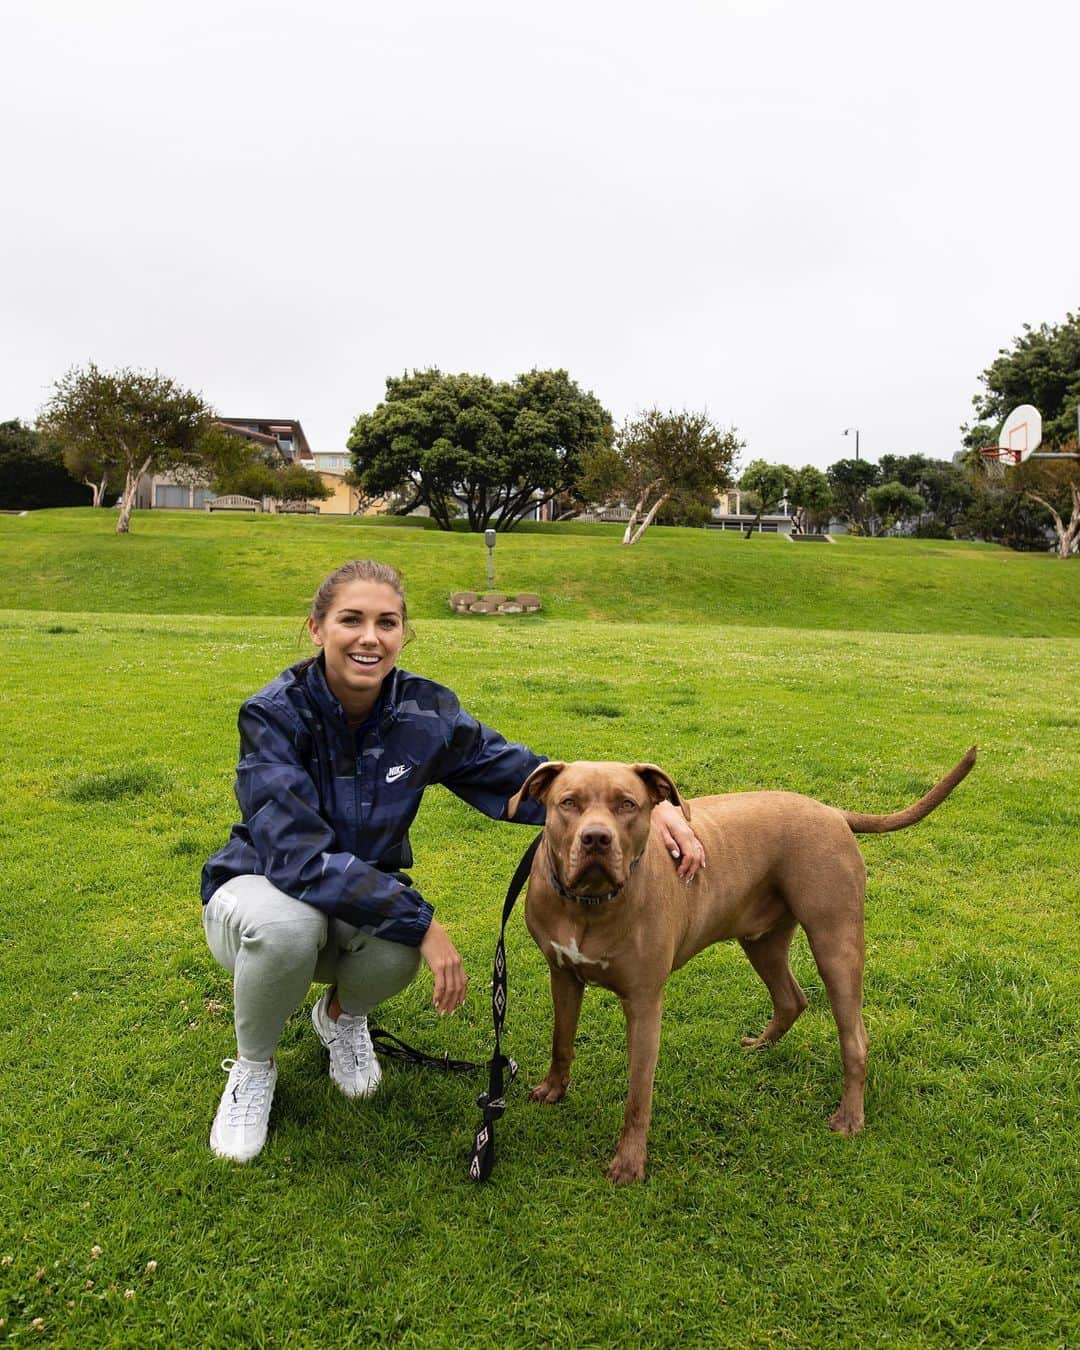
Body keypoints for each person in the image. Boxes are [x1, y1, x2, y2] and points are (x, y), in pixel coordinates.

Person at [201, 559, 705, 1161]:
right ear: (316, 629)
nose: (370, 637)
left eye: (387, 622)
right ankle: (255, 1069)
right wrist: (422, 921)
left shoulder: (423, 711)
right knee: (295, 927)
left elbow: (525, 778)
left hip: (356, 892)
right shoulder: (274, 714)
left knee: (393, 948)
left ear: (403, 634)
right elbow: (296, 855)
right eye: (350, 620)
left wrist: (634, 805)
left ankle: (339, 1017)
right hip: (260, 889)